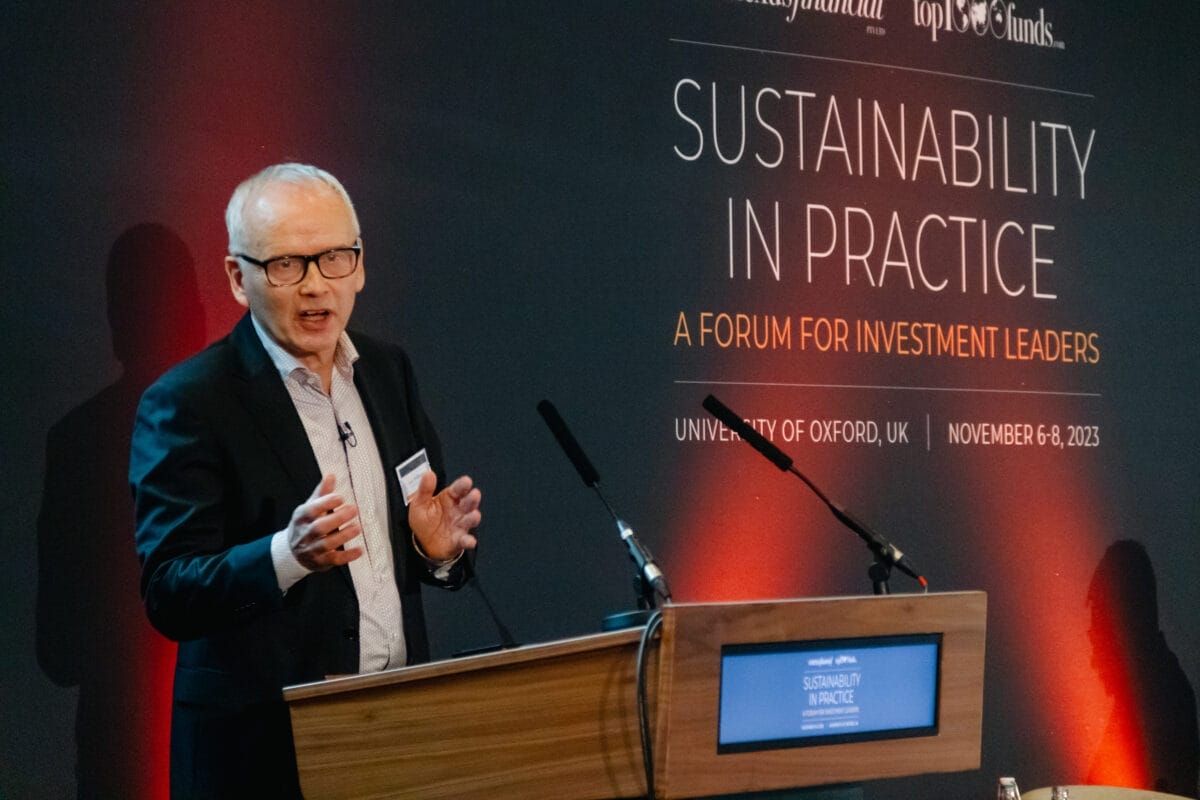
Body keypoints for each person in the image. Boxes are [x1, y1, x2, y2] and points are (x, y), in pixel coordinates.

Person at [130, 163, 482, 799]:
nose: (317, 285)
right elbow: (169, 591)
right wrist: (285, 556)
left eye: (334, 259)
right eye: (287, 265)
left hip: (398, 734)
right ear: (238, 278)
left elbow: (417, 537)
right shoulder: (190, 402)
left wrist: (433, 553)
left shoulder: (387, 371)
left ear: (360, 265)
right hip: (264, 754)